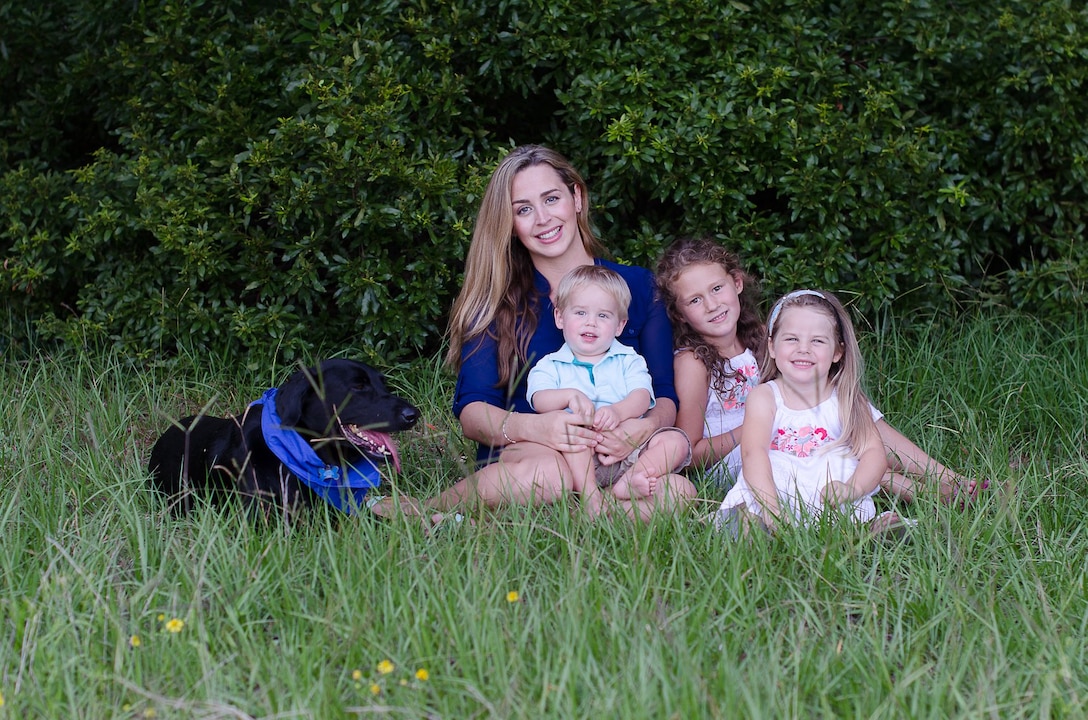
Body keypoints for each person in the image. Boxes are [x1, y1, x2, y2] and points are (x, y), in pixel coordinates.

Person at [373, 145, 695, 524]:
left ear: (576, 197)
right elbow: (473, 414)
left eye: (551, 198)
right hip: (531, 457)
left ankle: (564, 519)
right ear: (510, 224)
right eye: (523, 209)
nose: (542, 218)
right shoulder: (498, 300)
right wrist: (537, 427)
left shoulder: (638, 286)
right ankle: (428, 511)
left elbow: (665, 397)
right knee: (549, 475)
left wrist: (642, 426)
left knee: (679, 493)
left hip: (616, 457)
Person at [656, 236, 984, 504]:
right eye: (695, 300)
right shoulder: (693, 361)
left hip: (790, 434)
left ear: (737, 283)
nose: (712, 304)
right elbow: (691, 453)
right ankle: (937, 495)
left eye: (716, 289)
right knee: (838, 457)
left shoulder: (760, 336)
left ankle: (945, 478)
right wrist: (755, 426)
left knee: (848, 411)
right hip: (741, 459)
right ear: (681, 314)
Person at [716, 289, 890, 534]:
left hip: (829, 496)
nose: (803, 349)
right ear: (772, 347)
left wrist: (853, 488)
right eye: (791, 339)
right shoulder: (765, 397)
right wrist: (772, 510)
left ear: (838, 352)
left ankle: (871, 532)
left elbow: (874, 453)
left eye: (817, 341)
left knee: (841, 468)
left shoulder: (846, 398)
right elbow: (753, 454)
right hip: (775, 493)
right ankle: (759, 527)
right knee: (748, 516)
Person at [527, 265, 686, 516]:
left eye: (603, 316)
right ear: (560, 317)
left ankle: (630, 482)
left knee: (675, 441)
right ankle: (590, 497)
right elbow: (539, 400)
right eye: (580, 312)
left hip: (629, 449)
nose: (591, 322)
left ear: (620, 325)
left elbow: (642, 396)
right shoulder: (550, 365)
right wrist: (569, 395)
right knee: (574, 433)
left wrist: (618, 411)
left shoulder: (629, 359)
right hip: (580, 459)